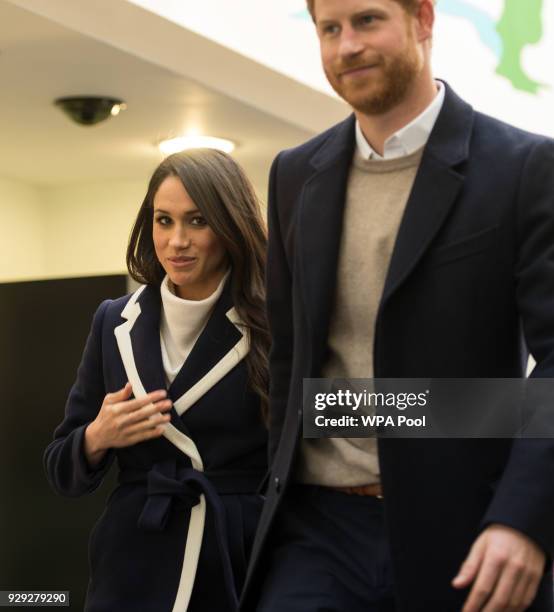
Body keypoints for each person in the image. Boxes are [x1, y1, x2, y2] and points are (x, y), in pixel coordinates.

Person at [240, 0, 554, 610]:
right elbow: (289, 358)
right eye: (329, 29)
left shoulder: (525, 167)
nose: (346, 46)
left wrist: (525, 518)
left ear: (424, 20)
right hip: (317, 531)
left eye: (367, 20)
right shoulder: (293, 175)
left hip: (469, 531)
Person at [44, 149, 269, 612]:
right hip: (132, 565)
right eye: (163, 220)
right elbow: (60, 470)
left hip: (237, 559)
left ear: (231, 226)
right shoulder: (114, 321)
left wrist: (444, 413)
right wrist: (96, 437)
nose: (177, 241)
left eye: (198, 221)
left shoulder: (276, 321)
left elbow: (330, 429)